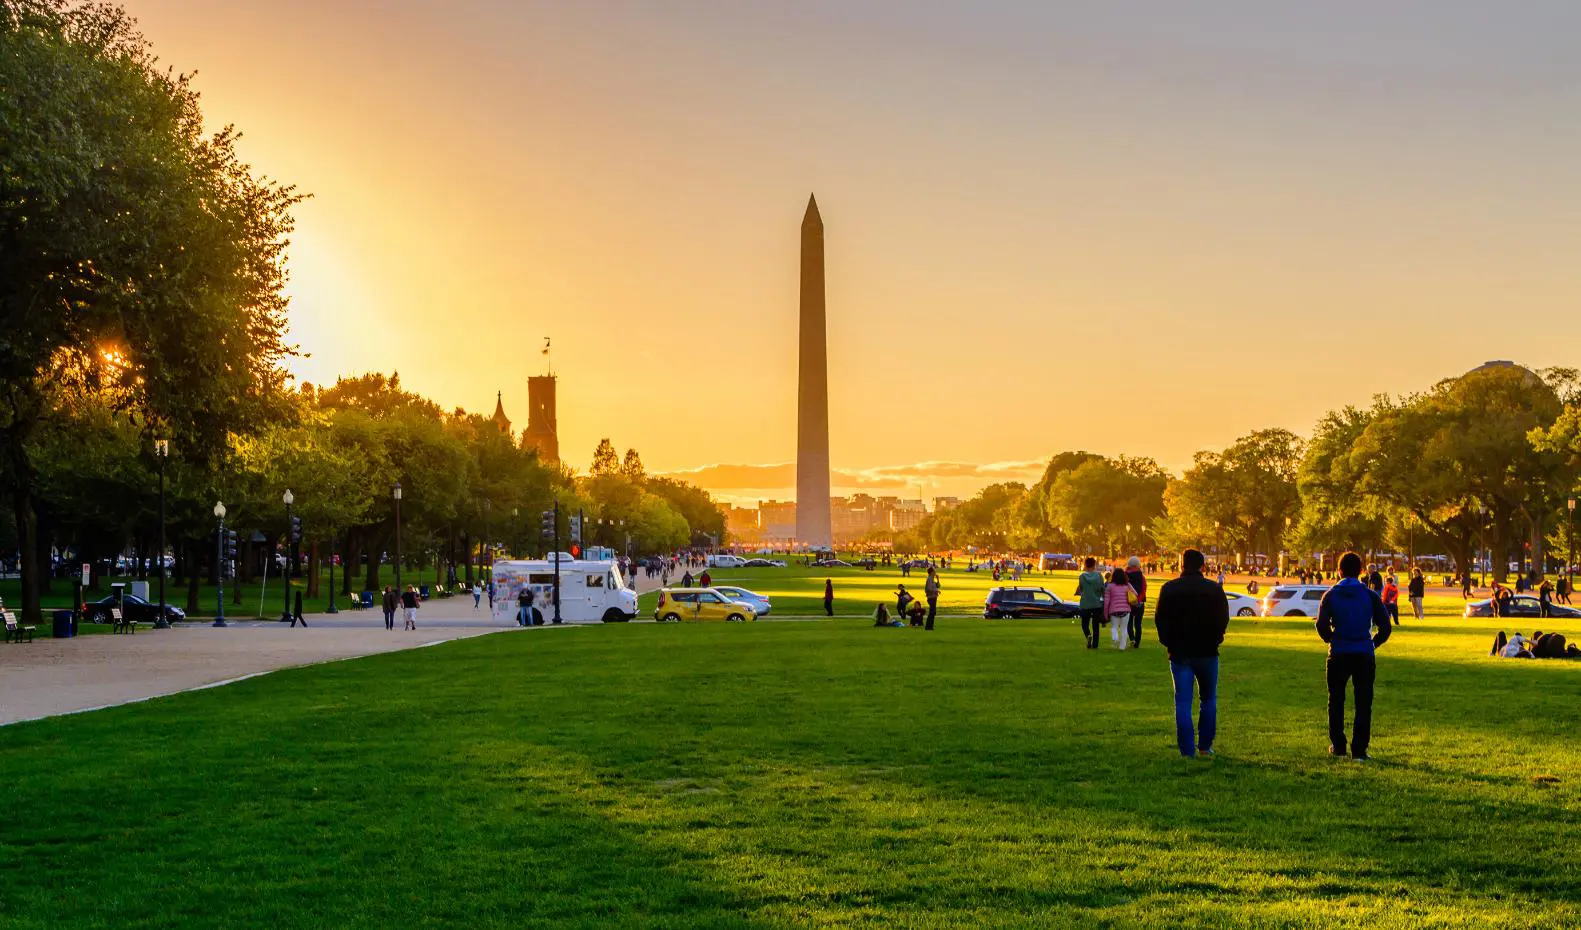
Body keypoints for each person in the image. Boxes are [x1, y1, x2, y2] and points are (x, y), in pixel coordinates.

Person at [1316, 552, 1392, 761]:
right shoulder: (1370, 596)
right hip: (1363, 653)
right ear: (1361, 571)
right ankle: (1359, 749)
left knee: (1336, 699)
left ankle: (1338, 745)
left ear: (1339, 570)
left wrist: (1332, 639)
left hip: (1339, 652)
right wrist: (1372, 643)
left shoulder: (1331, 595)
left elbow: (1321, 625)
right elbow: (1385, 627)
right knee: (1363, 701)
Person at [1153, 549, 1229, 758]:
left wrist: (1168, 642)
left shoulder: (1169, 589)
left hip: (1180, 652)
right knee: (1208, 699)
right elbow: (1223, 618)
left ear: (1181, 565)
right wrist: (1217, 638)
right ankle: (1205, 746)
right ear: (1203, 566)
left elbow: (1160, 619)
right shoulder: (1214, 589)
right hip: (1207, 651)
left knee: (1183, 701)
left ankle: (1187, 750)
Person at [1075, 557, 1106, 650]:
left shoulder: (1082, 576)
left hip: (1085, 603)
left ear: (1085, 565)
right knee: (1095, 625)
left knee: (1085, 623)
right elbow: (1102, 589)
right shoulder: (1099, 576)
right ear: (1094, 565)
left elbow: (1081, 588)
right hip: (1097, 603)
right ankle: (1095, 645)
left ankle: (1088, 635)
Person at [1103, 567, 1136, 651]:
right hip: (1126, 610)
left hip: (1114, 610)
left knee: (1114, 627)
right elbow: (1135, 594)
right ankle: (1122, 647)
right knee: (1124, 629)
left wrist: (1105, 613)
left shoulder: (1110, 586)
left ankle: (1115, 637)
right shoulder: (1127, 585)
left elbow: (1106, 601)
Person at [1125, 556, 1148, 650]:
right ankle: (1137, 643)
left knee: (1129, 623)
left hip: (1128, 603)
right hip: (1139, 603)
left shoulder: (1124, 576)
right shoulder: (1142, 577)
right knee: (1138, 624)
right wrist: (1138, 600)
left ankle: (1132, 639)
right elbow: (1144, 589)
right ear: (1138, 565)